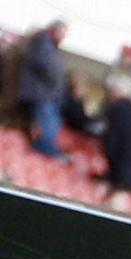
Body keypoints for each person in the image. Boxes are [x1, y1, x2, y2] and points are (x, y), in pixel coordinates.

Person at [17, 17, 66, 158]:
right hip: (42, 93)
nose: (64, 37)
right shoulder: (43, 41)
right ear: (56, 30)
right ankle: (43, 150)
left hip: (45, 93)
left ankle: (45, 149)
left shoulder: (48, 44)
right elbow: (45, 66)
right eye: (63, 33)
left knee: (52, 123)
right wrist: (55, 80)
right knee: (47, 125)